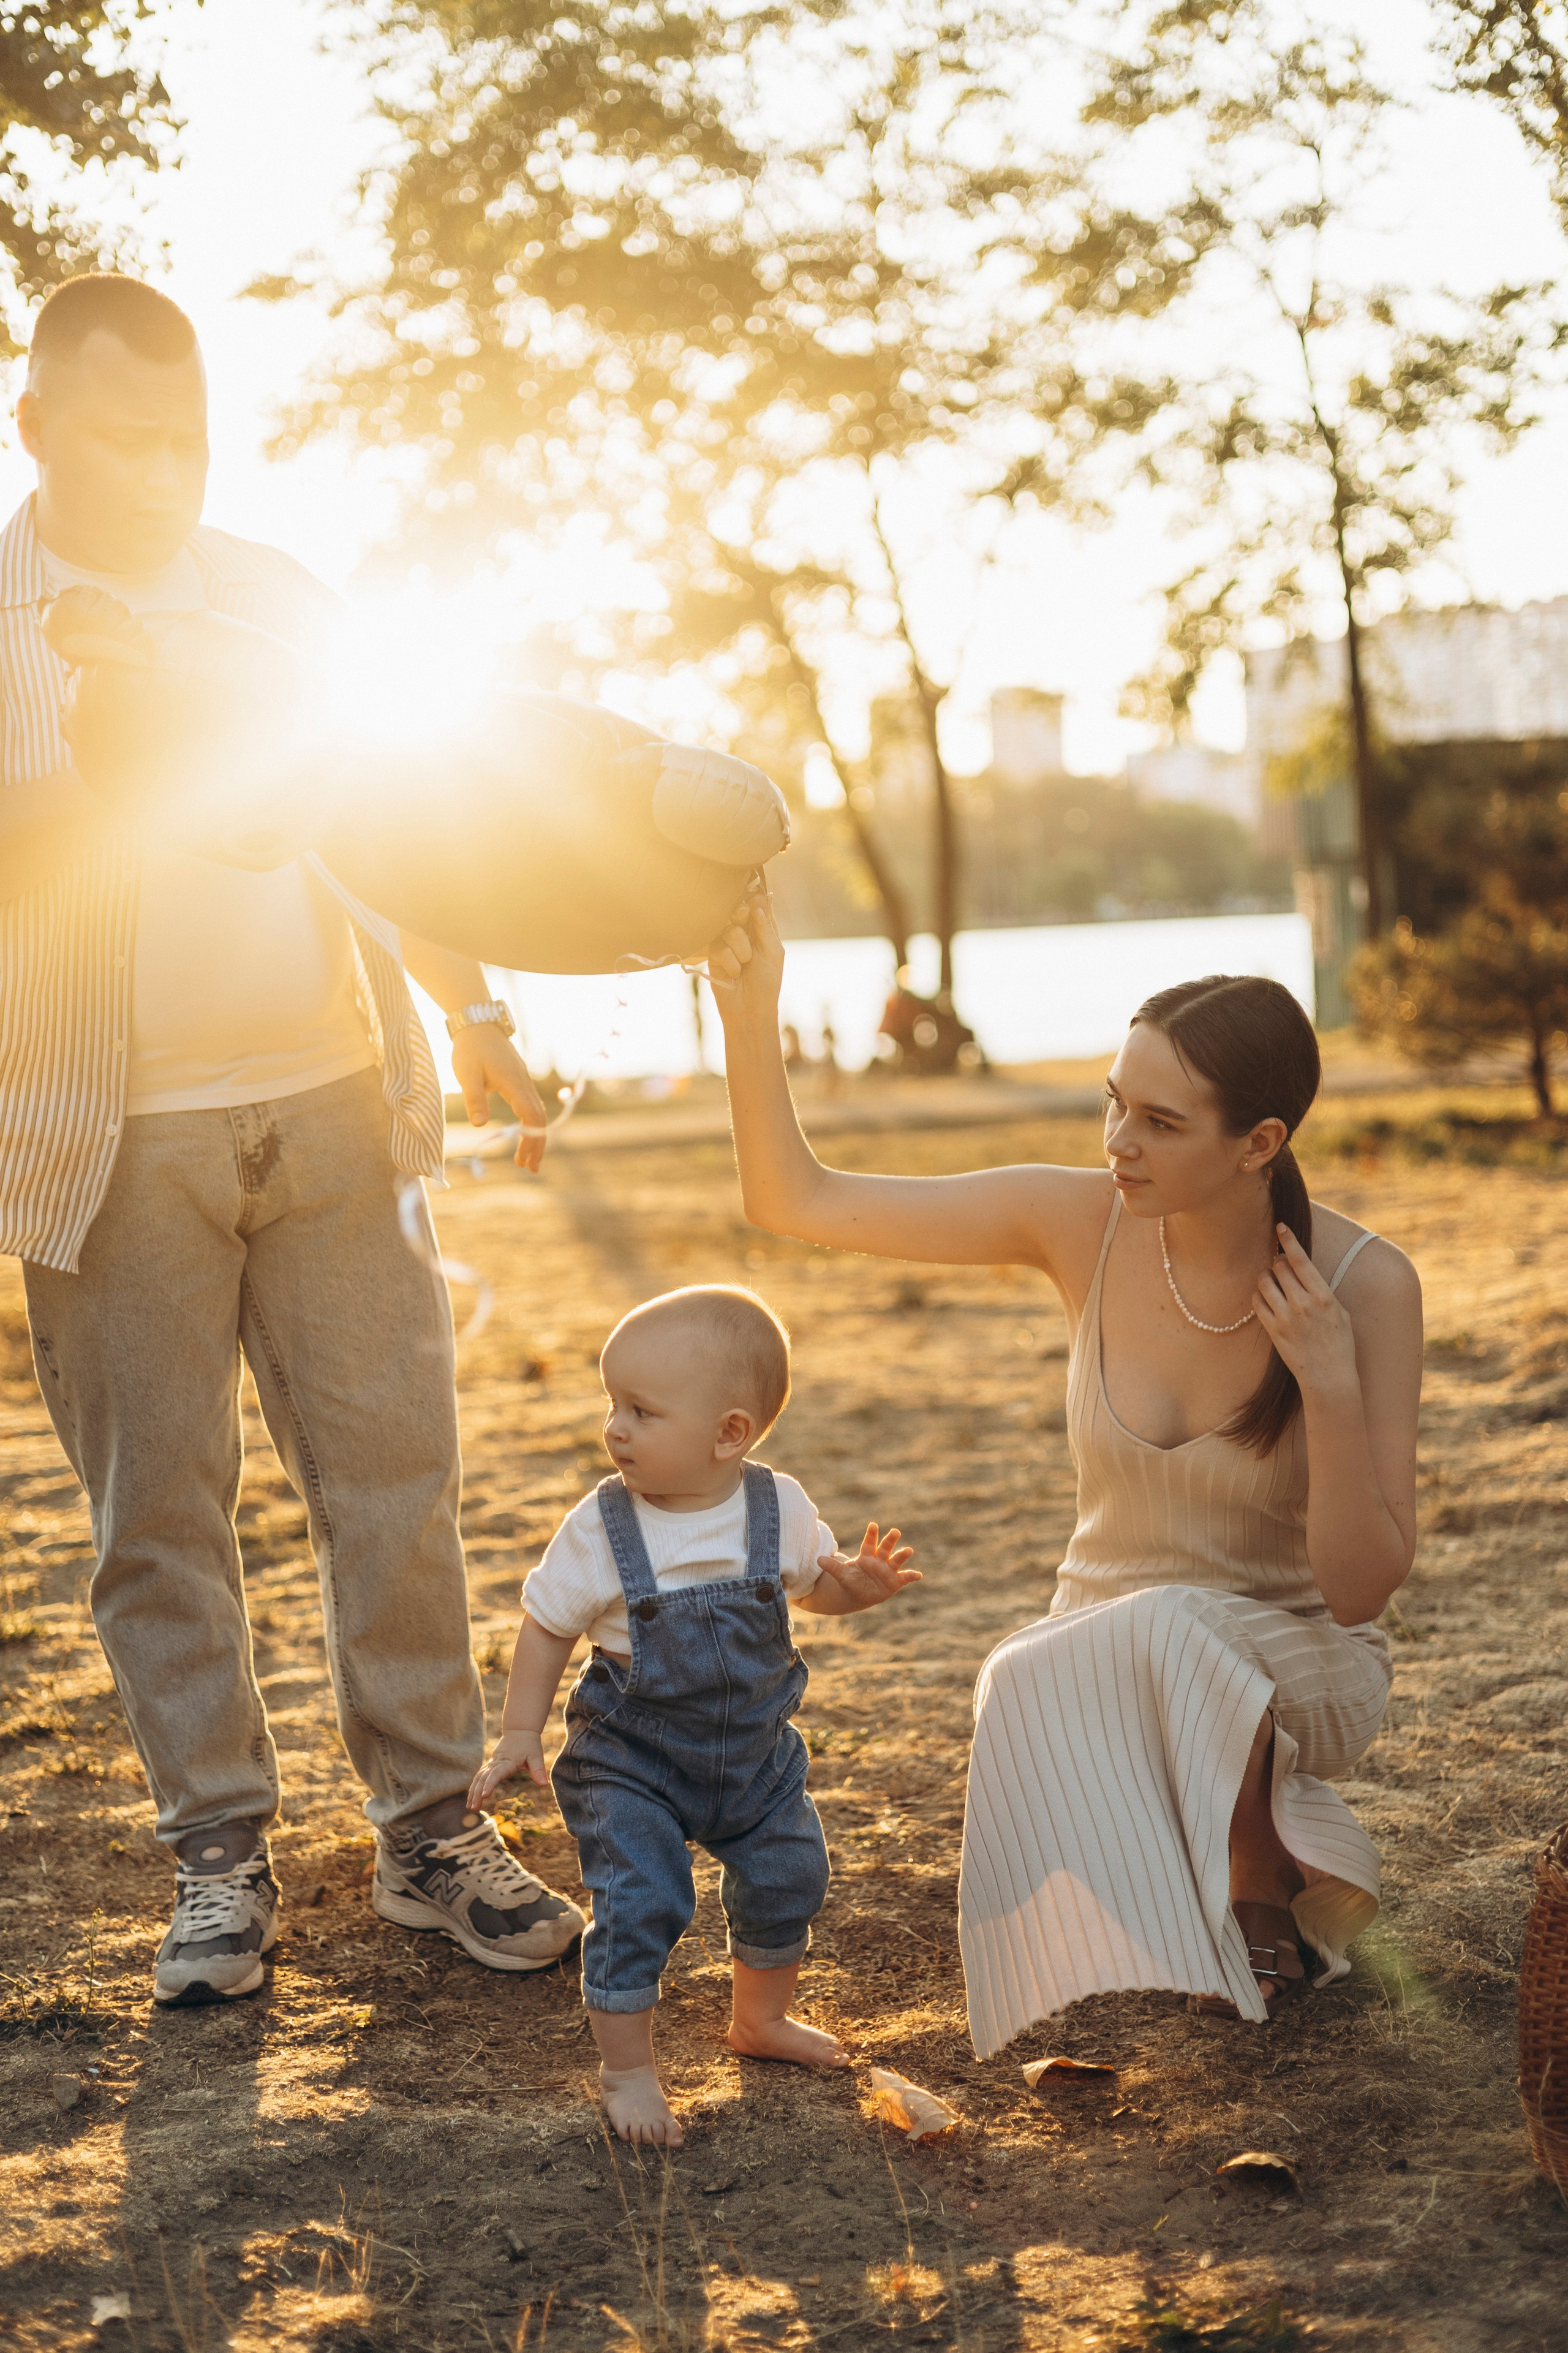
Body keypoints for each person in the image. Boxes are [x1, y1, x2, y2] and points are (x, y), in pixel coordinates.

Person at [1, 273, 586, 2003]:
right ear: (35, 426)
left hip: (334, 1098)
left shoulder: (274, 596)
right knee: (156, 1517)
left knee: (394, 1483)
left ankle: (429, 1831)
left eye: (186, 430)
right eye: (122, 432)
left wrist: (472, 1016)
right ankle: (218, 1862)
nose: (166, 465)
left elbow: (402, 817)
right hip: (104, 1133)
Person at [707, 891, 1422, 2050]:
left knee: (1174, 1626)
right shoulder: (1075, 1220)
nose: (1118, 1143)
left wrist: (1329, 1384)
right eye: (1113, 1104)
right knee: (1021, 1669)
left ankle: (1259, 1869)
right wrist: (750, 1009)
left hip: (1300, 1655)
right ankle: (1212, 1846)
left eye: (1159, 1120)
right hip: (1097, 1646)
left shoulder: (1367, 1283)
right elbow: (797, 1199)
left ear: (1260, 1142)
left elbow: (1359, 1591)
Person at [470, 1285, 921, 2142]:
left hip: (753, 1754)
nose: (616, 1428)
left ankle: (760, 2020)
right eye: (612, 1403)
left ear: (730, 1433)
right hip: (632, 1761)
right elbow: (547, 1624)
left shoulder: (776, 1506)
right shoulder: (603, 1526)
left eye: (642, 1410)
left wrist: (851, 1590)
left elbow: (809, 1584)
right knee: (643, 1897)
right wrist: (519, 1731)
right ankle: (629, 2069)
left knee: (791, 1873)